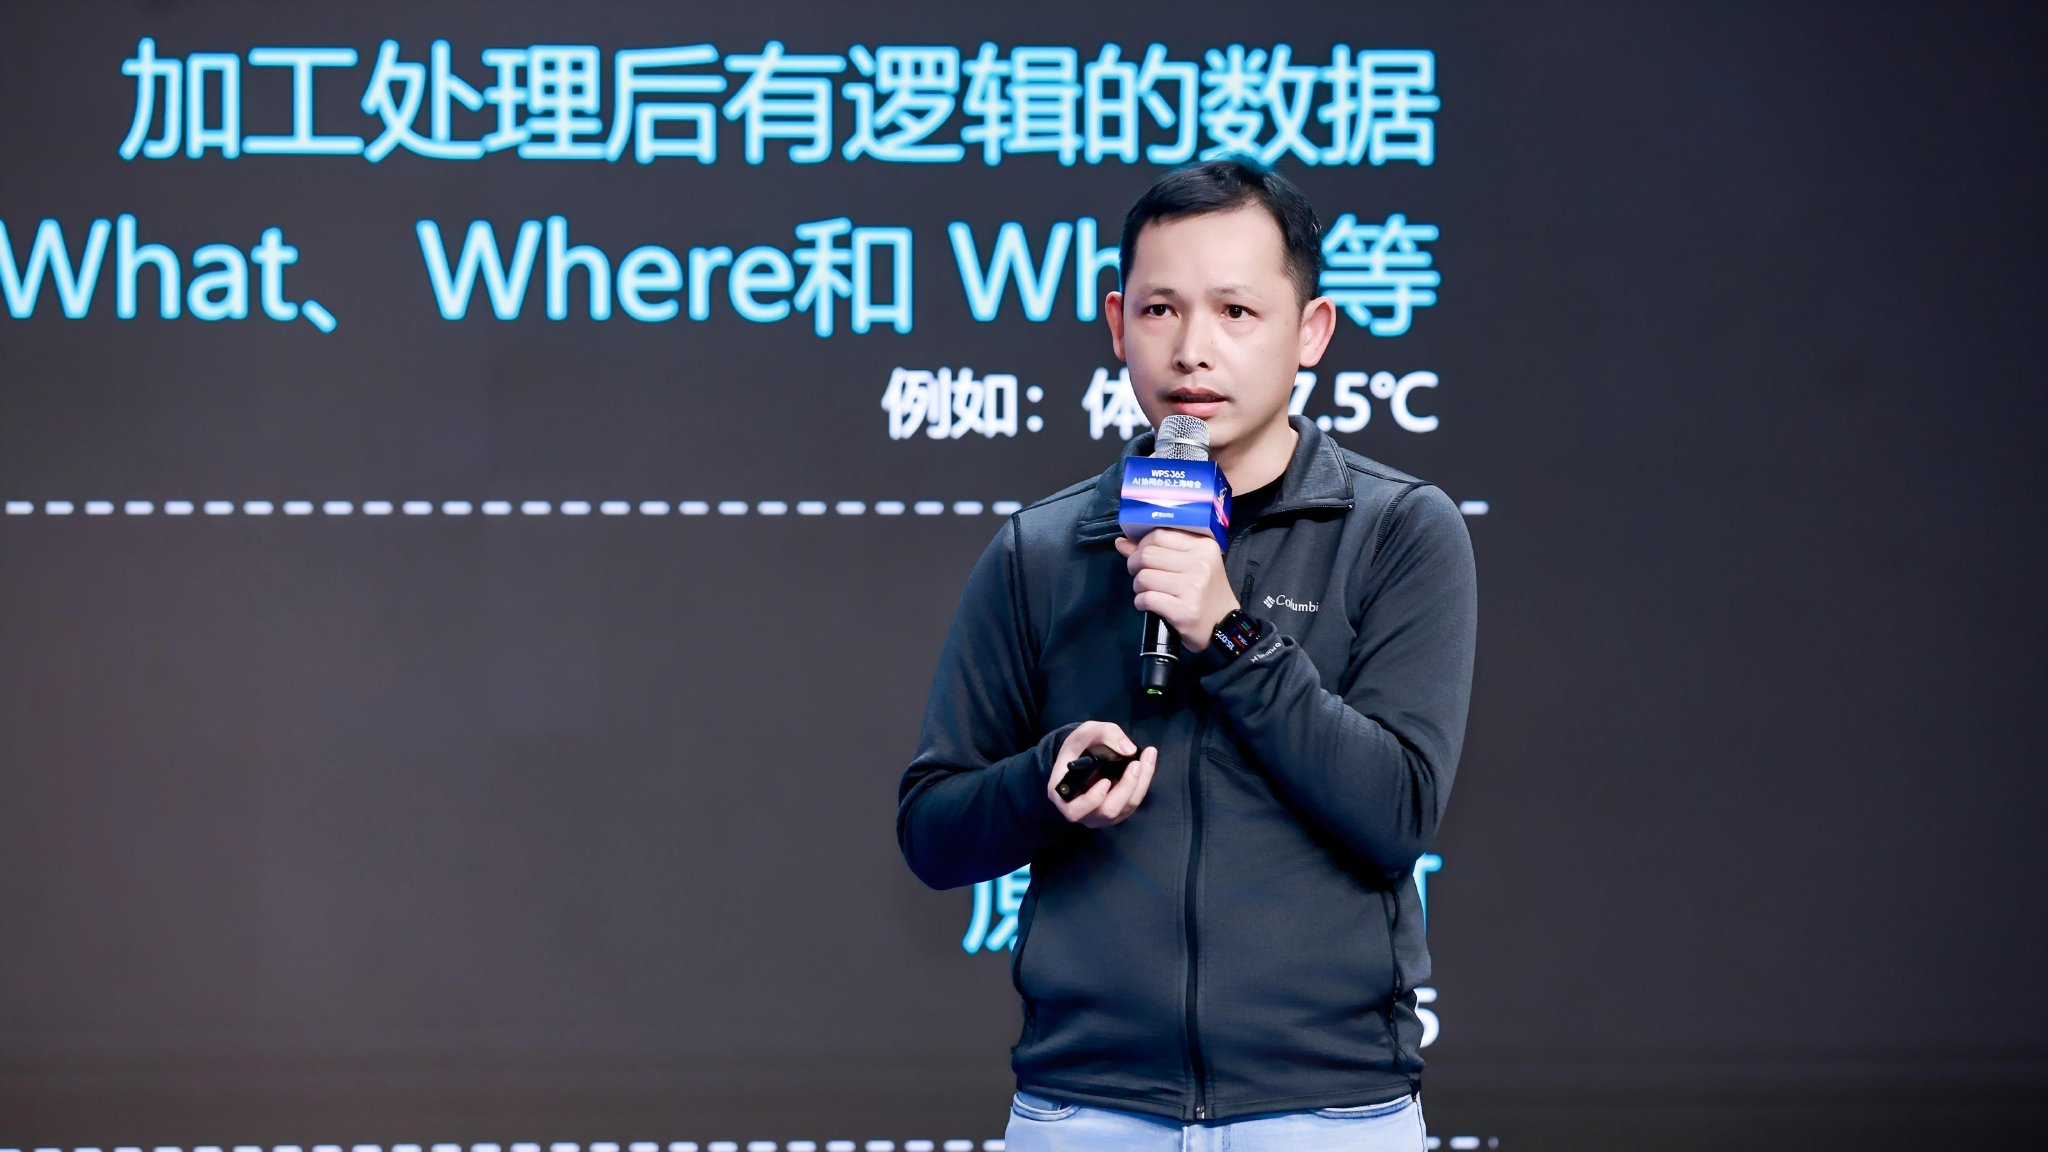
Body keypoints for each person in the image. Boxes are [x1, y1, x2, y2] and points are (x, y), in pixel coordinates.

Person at [896, 158, 1477, 1152]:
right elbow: (932, 830)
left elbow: (1397, 813)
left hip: (1329, 1111)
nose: (1192, 349)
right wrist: (1045, 784)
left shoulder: (1397, 531)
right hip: (1085, 1111)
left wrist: (1230, 636)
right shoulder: (1044, 550)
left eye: (1236, 312)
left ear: (1311, 332)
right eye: (1160, 309)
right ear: (1117, 325)